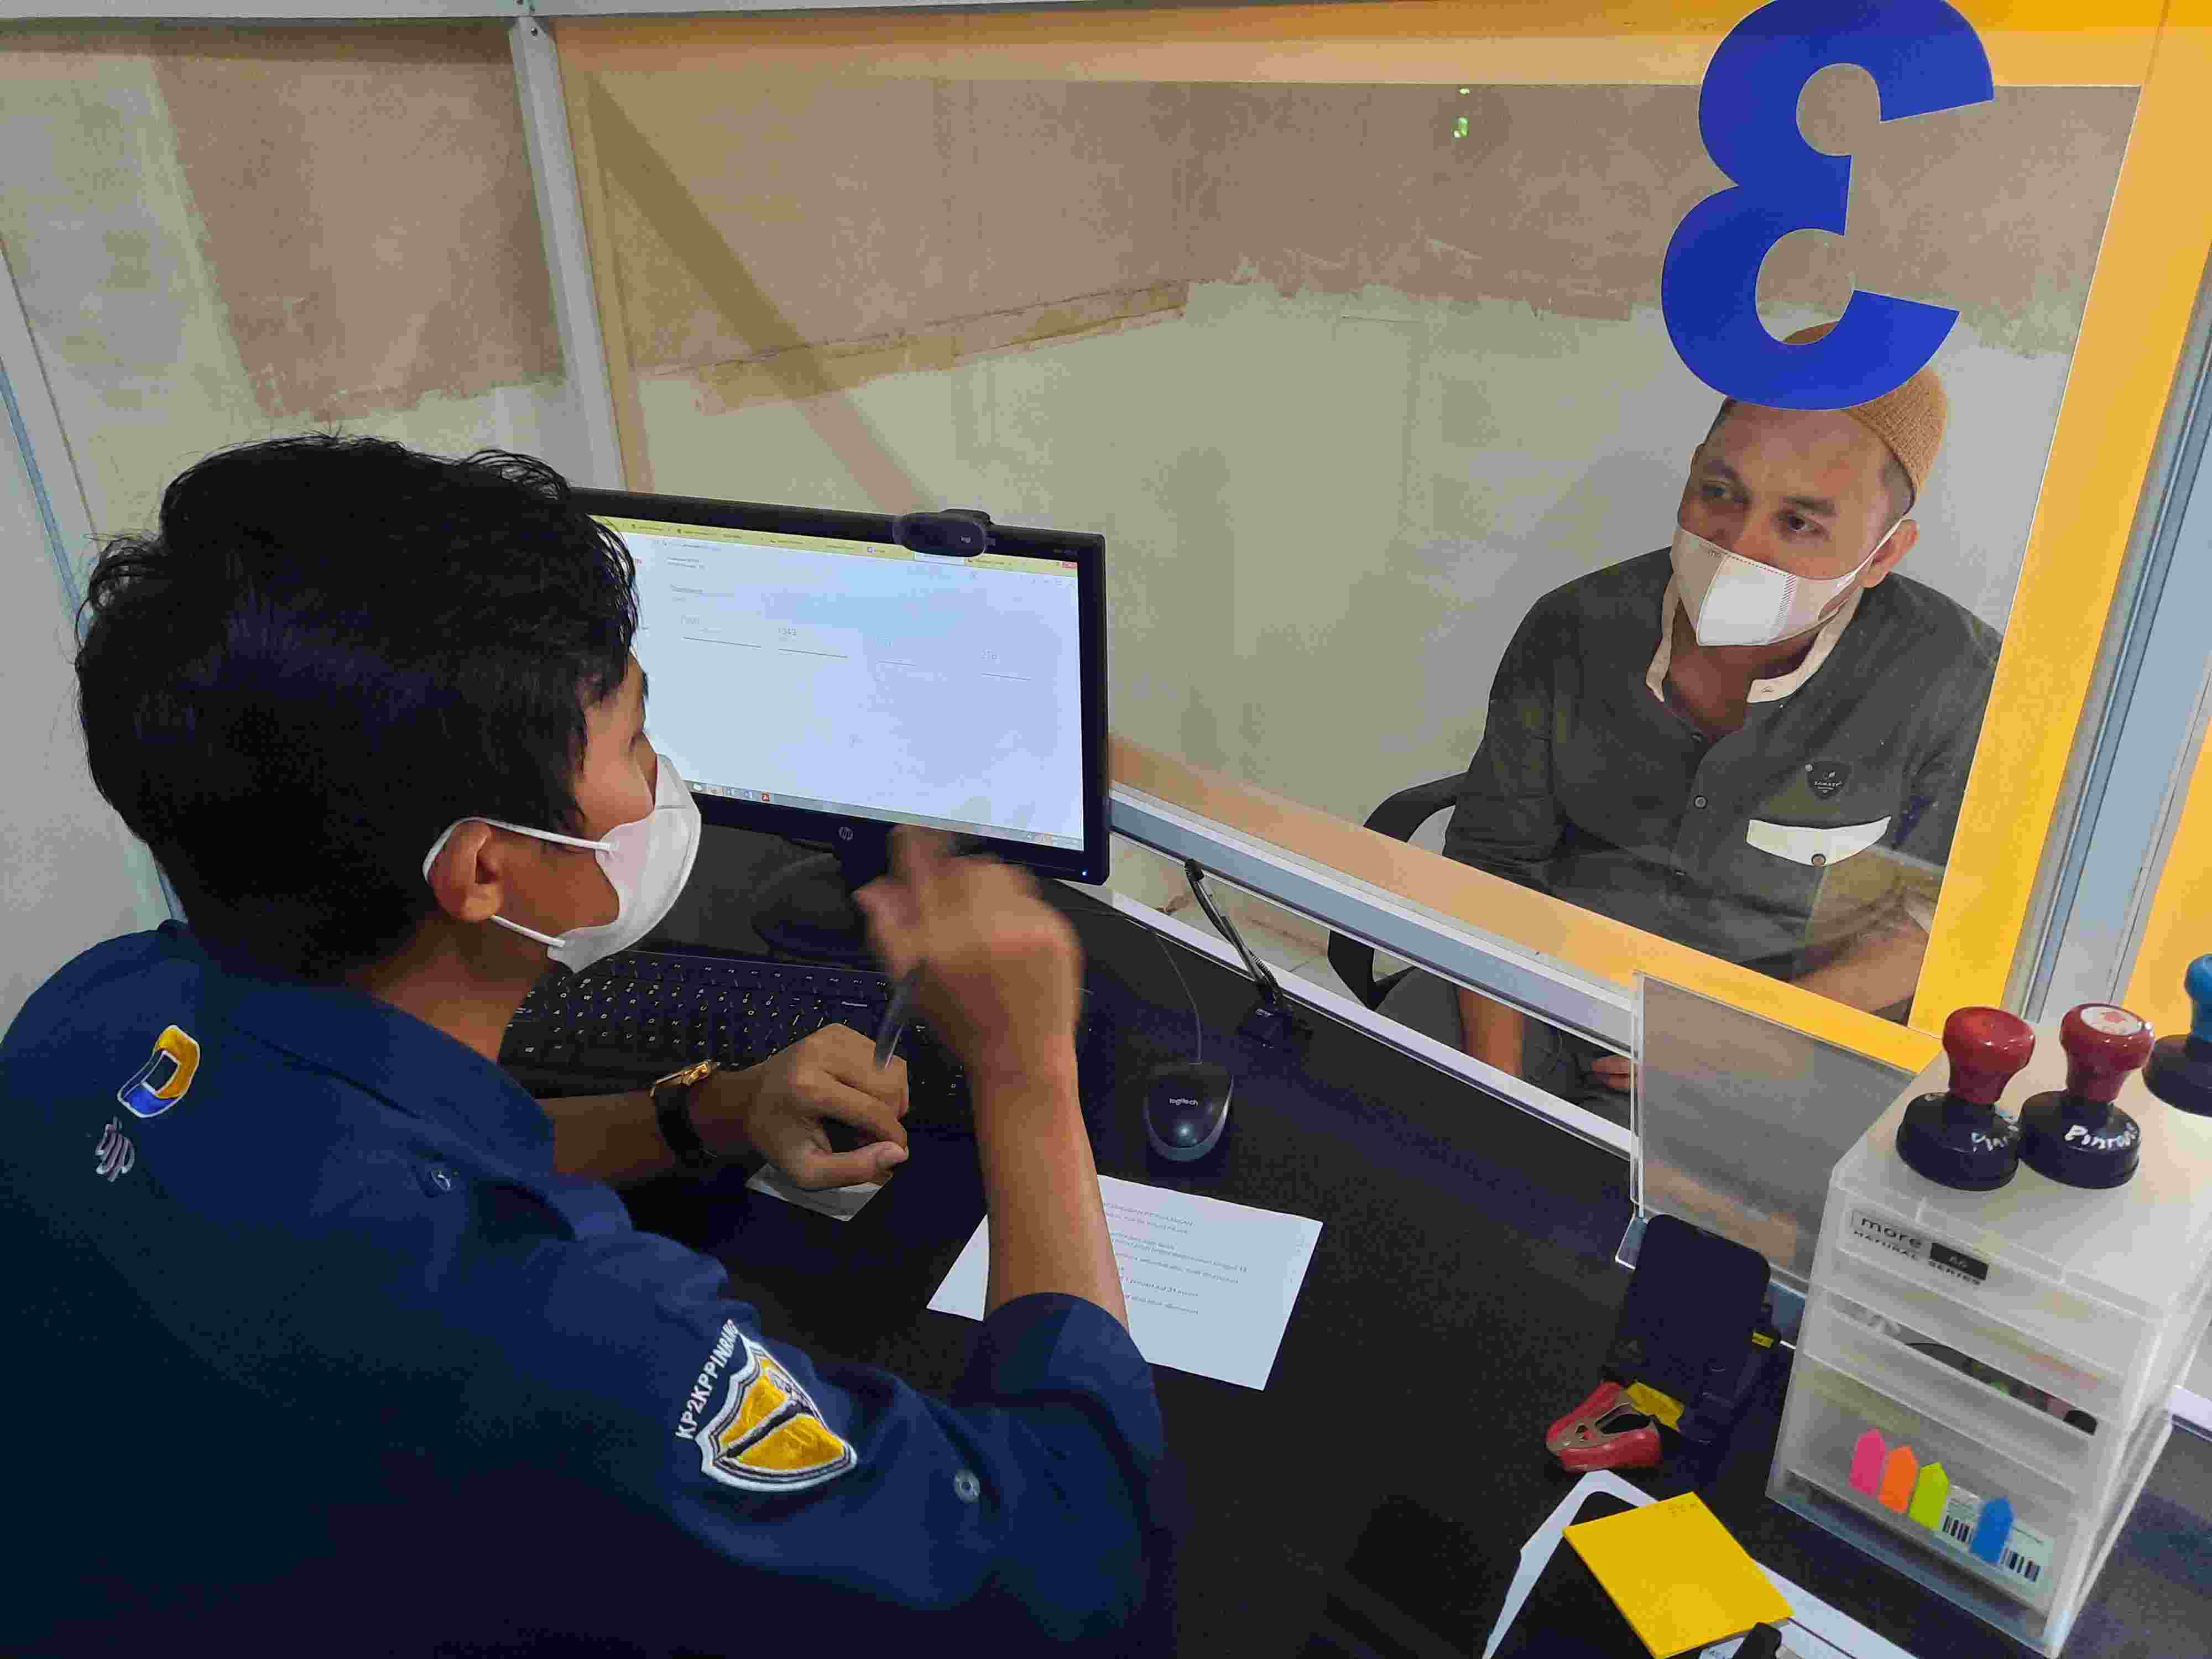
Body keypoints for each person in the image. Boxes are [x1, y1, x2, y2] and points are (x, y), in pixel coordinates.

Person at [2, 436, 1180, 1655]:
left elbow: (376, 1164)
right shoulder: (562, 1336)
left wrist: (704, 1113)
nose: (667, 781)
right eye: (634, 745)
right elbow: (1073, 1566)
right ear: (484, 871)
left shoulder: (95, 1010)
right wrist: (1022, 1068)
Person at [1381, 325, 1999, 1115]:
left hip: (1775, 1027)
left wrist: (1742, 1037)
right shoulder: (1576, 626)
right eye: (1720, 493)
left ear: (1883, 554)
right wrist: (1498, 1093)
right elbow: (1494, 865)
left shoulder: (1951, 682)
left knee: (1670, 1192)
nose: (1738, 546)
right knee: (1392, 1117)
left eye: (1799, 523)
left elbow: (1929, 923)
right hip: (1546, 979)